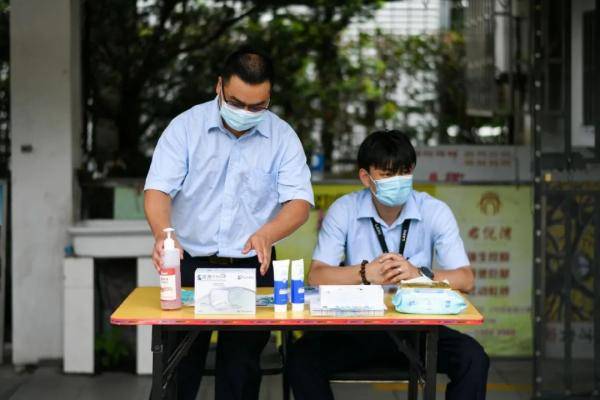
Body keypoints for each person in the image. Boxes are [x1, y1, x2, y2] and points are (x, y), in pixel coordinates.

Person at [144, 47, 314, 400]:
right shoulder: (185, 128)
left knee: (240, 371)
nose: (246, 113)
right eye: (237, 103)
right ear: (219, 86)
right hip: (189, 263)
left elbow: (299, 203)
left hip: (253, 265)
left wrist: (268, 232)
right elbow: (158, 190)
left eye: (258, 107)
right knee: (177, 369)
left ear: (269, 97)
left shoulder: (282, 137)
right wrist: (164, 236)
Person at [287, 130, 489, 400]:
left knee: (473, 359)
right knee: (300, 359)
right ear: (365, 177)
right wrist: (365, 273)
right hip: (355, 327)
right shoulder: (344, 210)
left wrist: (419, 274)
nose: (398, 181)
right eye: (387, 174)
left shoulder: (434, 211)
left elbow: (466, 279)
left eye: (404, 172)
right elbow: (317, 275)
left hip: (417, 329)